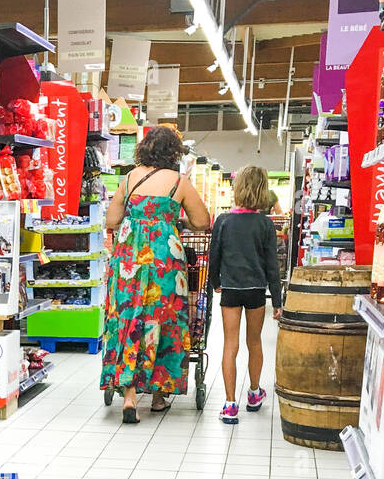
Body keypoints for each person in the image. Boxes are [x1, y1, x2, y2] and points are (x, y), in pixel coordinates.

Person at [101, 125, 210, 423]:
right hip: (165, 258)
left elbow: (112, 218)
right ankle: (159, 397)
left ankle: (130, 397)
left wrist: (135, 215)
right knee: (163, 319)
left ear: (144, 149)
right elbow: (203, 221)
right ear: (173, 152)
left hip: (129, 260)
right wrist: (175, 218)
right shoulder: (179, 181)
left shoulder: (129, 179)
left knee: (128, 317)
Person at [208, 165, 282, 425]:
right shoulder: (265, 224)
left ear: (237, 188)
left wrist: (214, 282)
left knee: (230, 345)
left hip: (230, 288)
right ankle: (253, 393)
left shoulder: (223, 221)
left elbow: (213, 256)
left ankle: (229, 404)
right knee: (254, 342)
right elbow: (272, 265)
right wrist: (278, 300)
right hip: (255, 291)